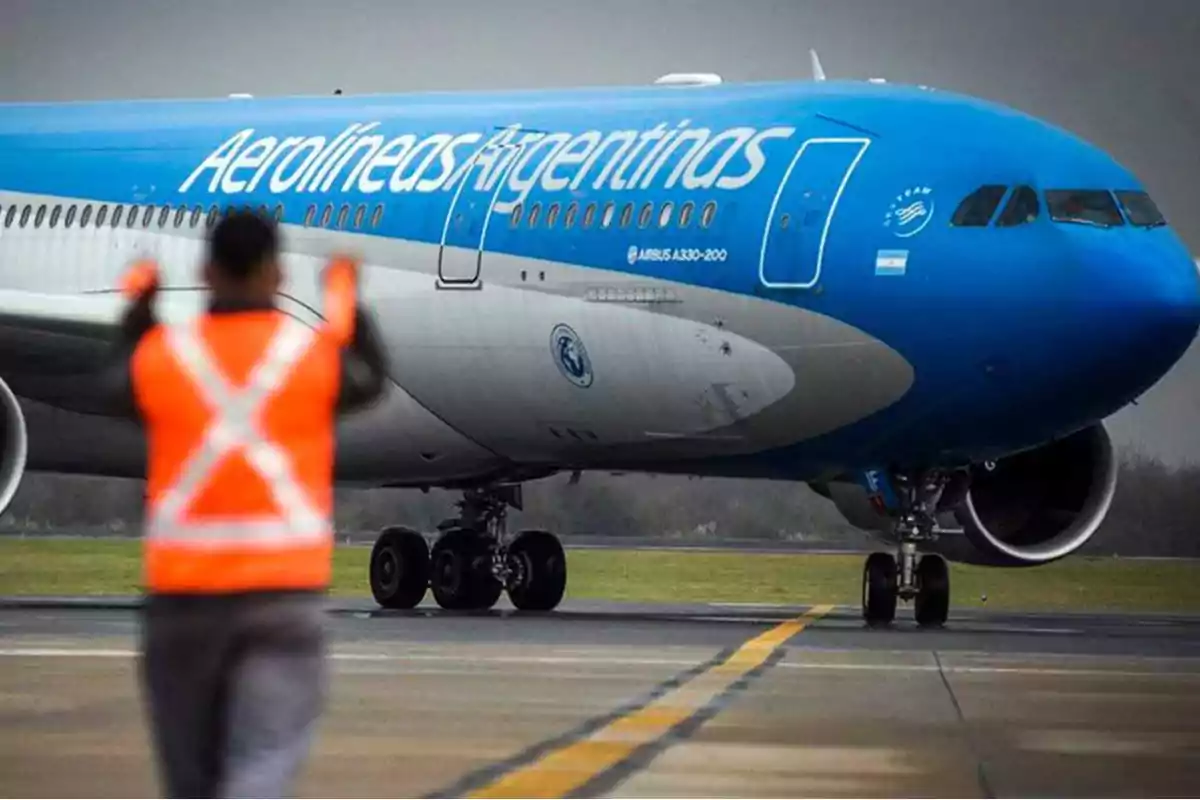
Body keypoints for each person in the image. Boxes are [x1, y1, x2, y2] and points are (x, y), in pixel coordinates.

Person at [97, 208, 389, 797]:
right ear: (277, 274)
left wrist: (138, 311)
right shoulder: (308, 358)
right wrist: (347, 300)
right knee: (262, 761)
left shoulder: (166, 356)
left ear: (206, 272)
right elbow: (369, 376)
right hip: (282, 602)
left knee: (190, 781)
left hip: (183, 607)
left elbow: (117, 384)